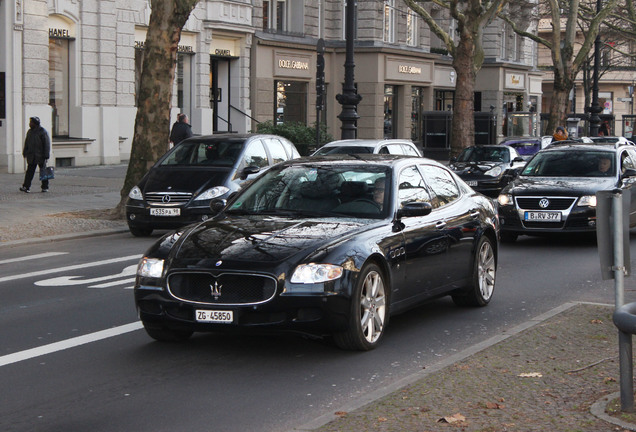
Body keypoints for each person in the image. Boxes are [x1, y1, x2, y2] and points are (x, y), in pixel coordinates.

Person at [20, 116, 51, 193]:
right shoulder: (30, 132)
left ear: (35, 123)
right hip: (31, 155)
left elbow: (46, 144)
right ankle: (26, 186)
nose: (30, 124)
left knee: (43, 171)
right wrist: (25, 152)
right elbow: (27, 143)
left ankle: (45, 187)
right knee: (29, 172)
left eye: (31, 122)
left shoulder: (42, 132)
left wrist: (46, 155)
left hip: (40, 156)